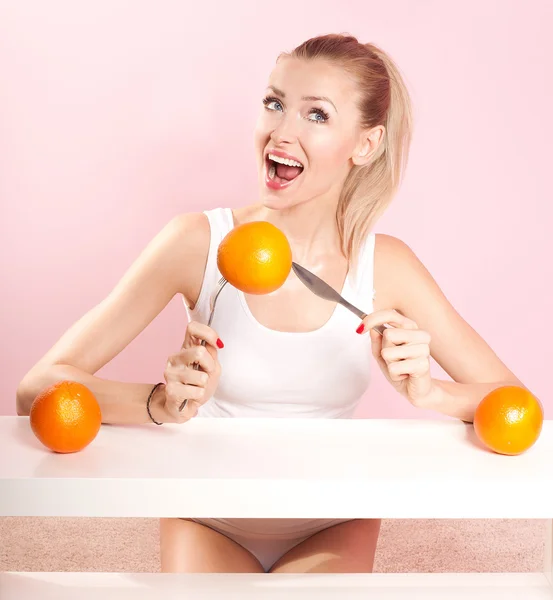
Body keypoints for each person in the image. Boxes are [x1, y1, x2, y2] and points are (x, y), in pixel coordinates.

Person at [16, 33, 525, 574]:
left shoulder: (388, 267)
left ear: (366, 145)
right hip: (205, 509)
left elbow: (513, 404)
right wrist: (157, 403)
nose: (281, 132)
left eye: (317, 115)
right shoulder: (197, 242)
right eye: (274, 103)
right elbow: (36, 387)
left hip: (332, 516)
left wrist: (429, 393)